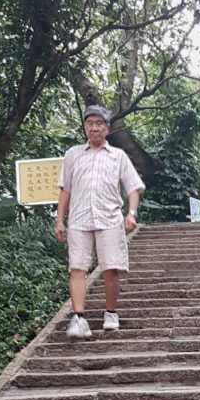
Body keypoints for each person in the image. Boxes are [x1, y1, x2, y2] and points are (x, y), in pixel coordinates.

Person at [55, 105, 145, 340]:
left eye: (99, 123)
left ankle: (111, 313)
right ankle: (79, 318)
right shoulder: (73, 154)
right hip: (79, 219)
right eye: (89, 123)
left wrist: (131, 213)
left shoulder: (118, 156)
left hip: (109, 218)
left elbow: (133, 187)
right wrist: (59, 220)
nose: (94, 127)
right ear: (85, 127)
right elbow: (65, 190)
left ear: (107, 128)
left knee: (110, 267)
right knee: (76, 267)